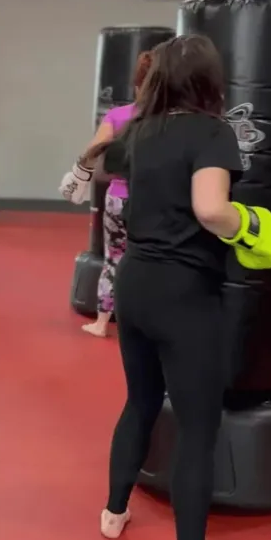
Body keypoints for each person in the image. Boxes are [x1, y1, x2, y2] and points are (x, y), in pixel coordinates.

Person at [82, 35, 271, 540]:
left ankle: (113, 511)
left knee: (140, 401)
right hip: (184, 293)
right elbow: (211, 209)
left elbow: (100, 166)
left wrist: (83, 167)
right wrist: (252, 224)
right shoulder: (212, 131)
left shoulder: (140, 129)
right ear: (210, 79)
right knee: (198, 428)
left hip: (134, 282)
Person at [73, 52, 153, 338]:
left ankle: (101, 323)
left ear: (137, 85)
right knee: (154, 260)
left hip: (119, 197)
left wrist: (79, 176)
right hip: (156, 200)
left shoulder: (118, 116)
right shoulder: (170, 119)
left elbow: (92, 150)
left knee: (115, 258)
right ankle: (148, 325)